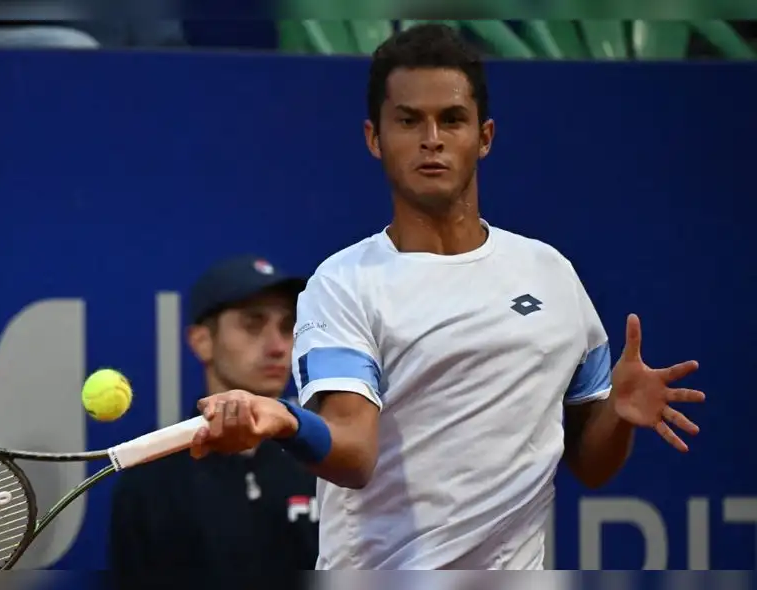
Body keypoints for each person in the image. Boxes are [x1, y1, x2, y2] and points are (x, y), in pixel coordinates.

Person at [188, 24, 707, 570]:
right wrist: (289, 421)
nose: (431, 138)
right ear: (375, 138)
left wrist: (619, 414)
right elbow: (354, 455)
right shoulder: (344, 283)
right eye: (409, 121)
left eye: (451, 120)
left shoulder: (550, 273)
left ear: (483, 136)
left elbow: (592, 466)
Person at [108, 255, 318, 582]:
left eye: (287, 326)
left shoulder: (325, 461)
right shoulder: (151, 480)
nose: (278, 347)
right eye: (253, 323)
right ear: (201, 341)